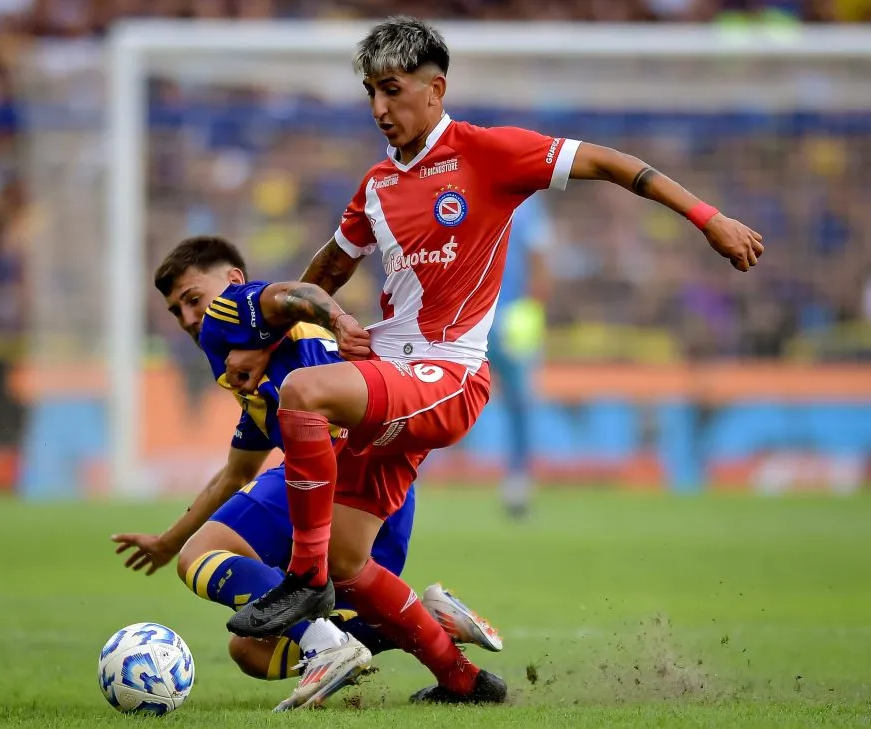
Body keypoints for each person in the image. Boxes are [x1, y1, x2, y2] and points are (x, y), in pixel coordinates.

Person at [224, 15, 763, 706]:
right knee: (350, 560)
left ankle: (301, 581)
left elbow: (609, 163)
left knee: (303, 391)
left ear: (435, 89)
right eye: (370, 93)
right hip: (396, 374)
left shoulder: (489, 154)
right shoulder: (377, 186)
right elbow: (327, 267)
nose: (380, 108)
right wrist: (267, 337)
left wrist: (708, 218)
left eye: (392, 90)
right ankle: (464, 680)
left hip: (447, 374)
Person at [110, 236, 501, 711]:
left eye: (193, 299)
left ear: (232, 281)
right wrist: (166, 539)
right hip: (376, 488)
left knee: (201, 557)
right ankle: (442, 646)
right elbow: (235, 474)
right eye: (177, 311)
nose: (190, 318)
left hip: (327, 463)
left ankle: (327, 647)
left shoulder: (240, 307)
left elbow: (297, 293)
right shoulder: (256, 376)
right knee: (252, 651)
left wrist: (338, 318)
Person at [491, 194, 553, 517]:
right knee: (442, 394)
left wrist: (532, 312)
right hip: (472, 318)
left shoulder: (528, 205)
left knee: (520, 402)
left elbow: (540, 261)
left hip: (512, 319)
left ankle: (519, 480)